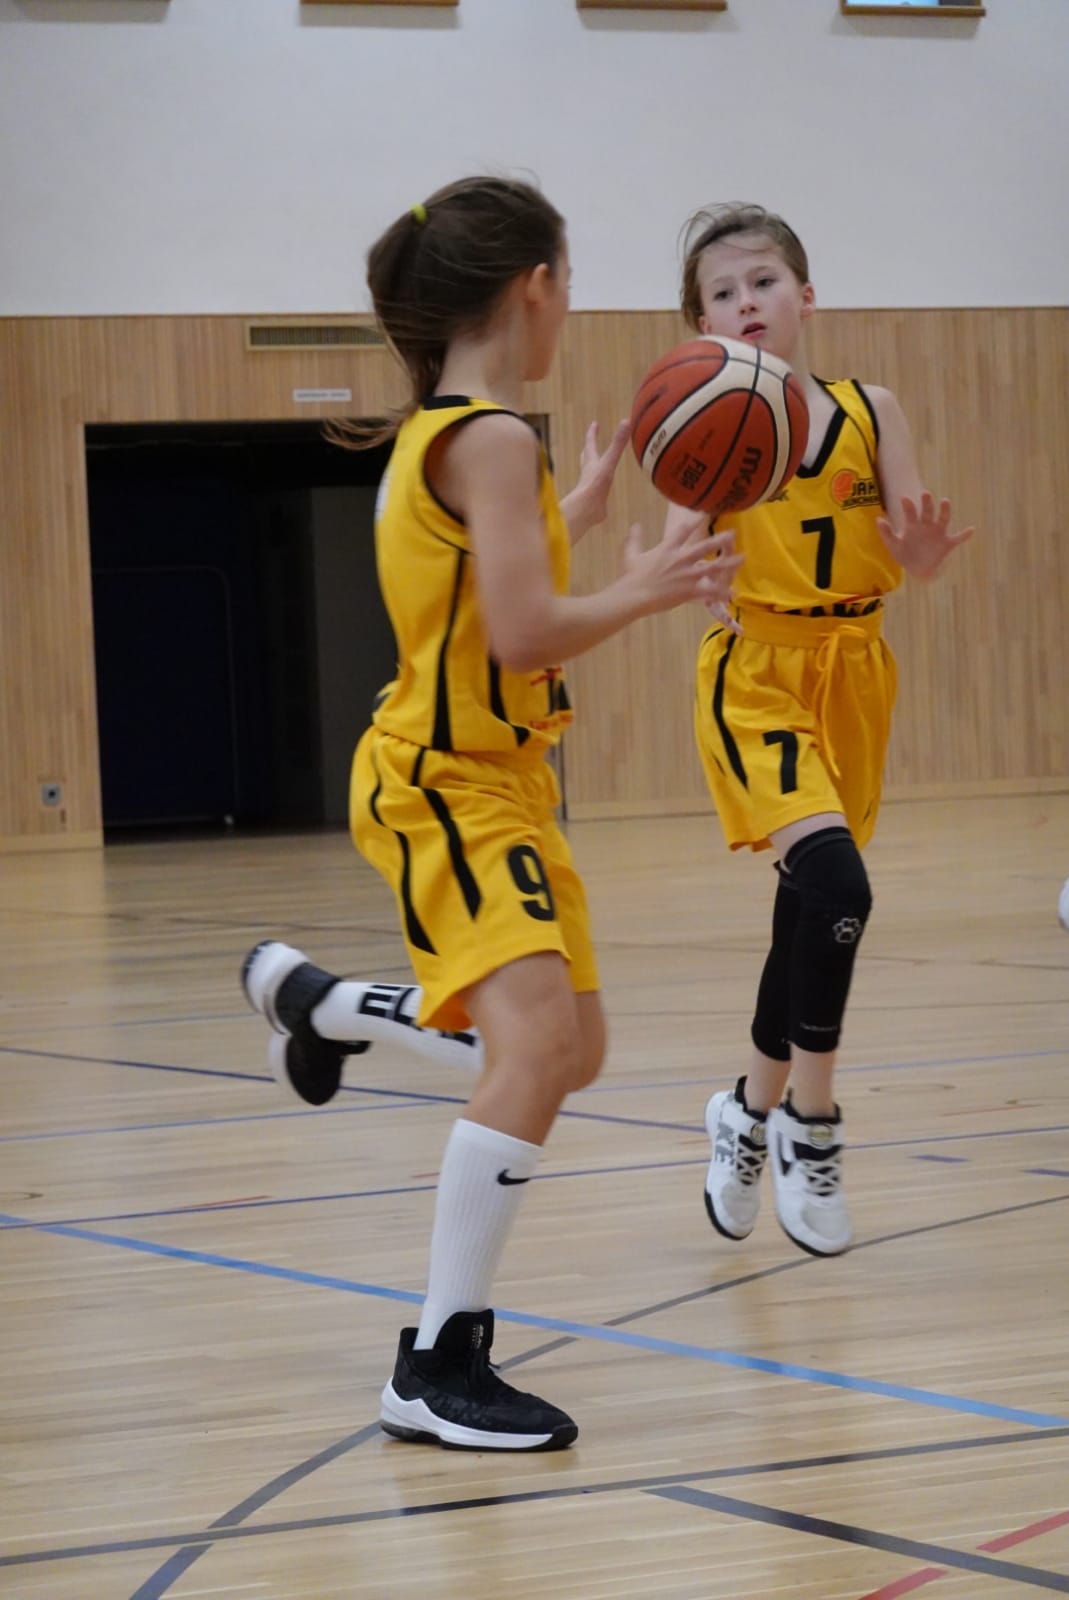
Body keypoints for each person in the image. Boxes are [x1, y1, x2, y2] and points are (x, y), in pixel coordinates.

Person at [242, 175, 739, 1451]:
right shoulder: (493, 438)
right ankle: (438, 1359)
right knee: (534, 1048)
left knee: (571, 1047)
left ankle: (326, 1007)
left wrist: (582, 523)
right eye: (569, 283)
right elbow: (520, 632)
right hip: (449, 780)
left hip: (490, 779)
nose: (569, 306)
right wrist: (651, 587)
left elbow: (478, 582)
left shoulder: (448, 434)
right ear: (536, 285)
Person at [682, 203, 974, 1259]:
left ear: (805, 295)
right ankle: (811, 1125)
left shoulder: (868, 408)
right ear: (702, 324)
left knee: (807, 907)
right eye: (722, 292)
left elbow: (907, 542)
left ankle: (743, 1112)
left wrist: (922, 559)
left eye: (762, 281)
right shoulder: (706, 422)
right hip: (756, 677)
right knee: (841, 889)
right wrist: (686, 571)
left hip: (853, 672)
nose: (746, 302)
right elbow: (674, 550)